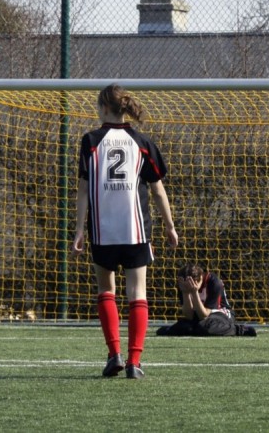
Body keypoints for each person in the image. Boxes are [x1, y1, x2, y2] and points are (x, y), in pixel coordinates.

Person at [72, 83, 179, 380]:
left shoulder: (91, 141)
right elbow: (157, 190)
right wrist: (170, 226)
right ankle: (134, 362)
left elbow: (83, 190)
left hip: (102, 229)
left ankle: (114, 355)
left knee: (106, 290)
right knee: (137, 293)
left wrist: (79, 229)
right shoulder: (141, 142)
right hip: (135, 229)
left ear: (105, 108)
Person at [155, 263, 257, 337]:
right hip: (200, 317)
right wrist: (185, 293)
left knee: (204, 327)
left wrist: (194, 292)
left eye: (194, 282)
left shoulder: (214, 282)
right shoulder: (183, 284)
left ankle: (238, 329)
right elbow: (189, 315)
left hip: (220, 314)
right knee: (186, 327)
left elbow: (204, 315)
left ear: (201, 277)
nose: (191, 285)